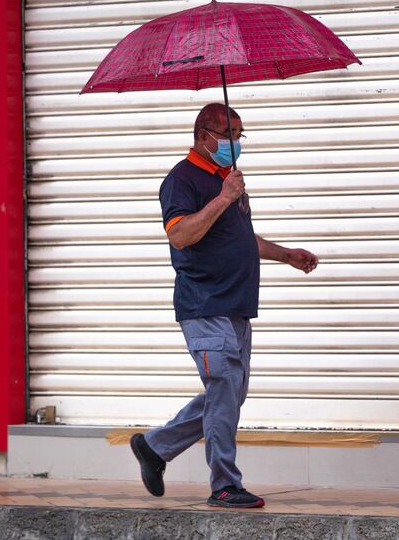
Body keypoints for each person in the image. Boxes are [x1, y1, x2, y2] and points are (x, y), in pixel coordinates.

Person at [130, 103, 318, 509]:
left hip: (236, 306)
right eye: (228, 133)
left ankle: (154, 446)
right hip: (205, 305)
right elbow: (181, 235)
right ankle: (224, 484)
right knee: (224, 390)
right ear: (203, 136)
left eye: (240, 134)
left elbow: (239, 239)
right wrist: (223, 197)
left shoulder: (228, 179)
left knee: (229, 394)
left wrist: (286, 255)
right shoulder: (182, 180)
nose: (235, 142)